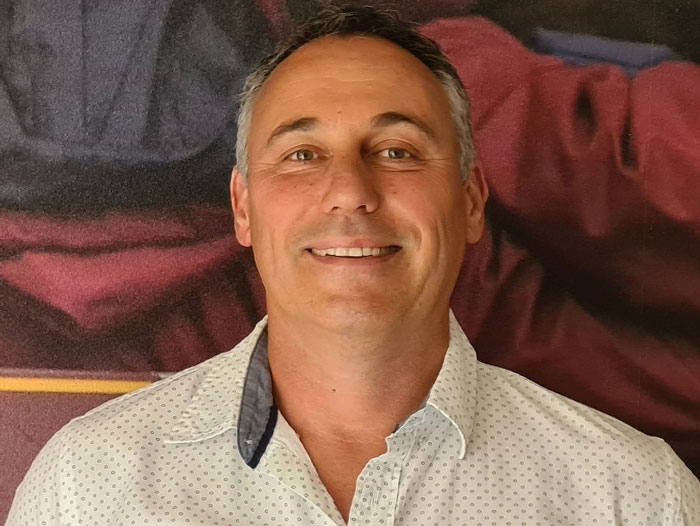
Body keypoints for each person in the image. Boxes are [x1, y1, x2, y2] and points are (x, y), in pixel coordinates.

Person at [8, 5, 700, 525]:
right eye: (302, 155)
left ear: (470, 199)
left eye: (396, 151)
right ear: (242, 208)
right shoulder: (87, 487)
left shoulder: (636, 496)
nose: (349, 191)